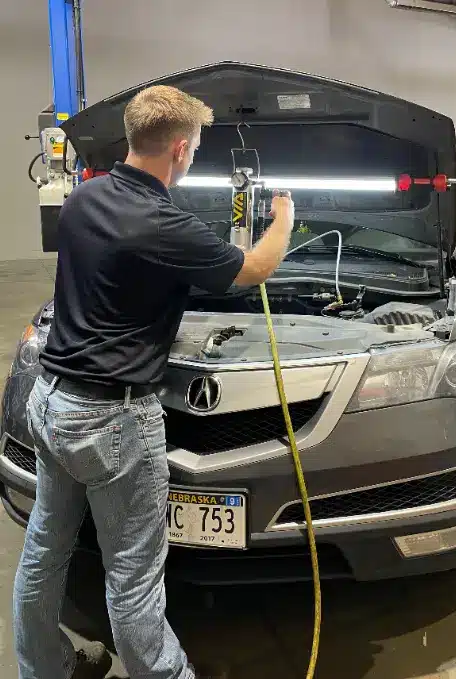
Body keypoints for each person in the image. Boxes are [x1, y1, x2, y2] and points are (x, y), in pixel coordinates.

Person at [13, 85, 295, 679]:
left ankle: (44, 668)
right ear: (182, 148)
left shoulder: (84, 199)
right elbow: (252, 269)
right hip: (112, 424)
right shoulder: (166, 224)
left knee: (44, 548)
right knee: (135, 578)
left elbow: (112, 277)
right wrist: (284, 219)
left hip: (52, 401)